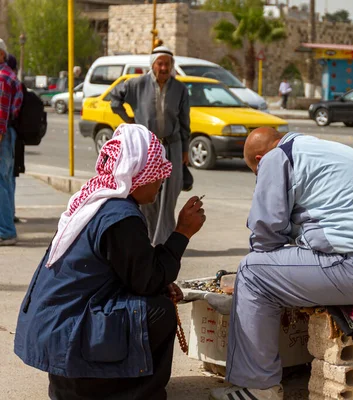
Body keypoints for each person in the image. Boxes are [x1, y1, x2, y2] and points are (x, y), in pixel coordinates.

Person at [210, 128, 353, 400]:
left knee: (252, 273)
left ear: (258, 159)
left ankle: (258, 387)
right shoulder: (330, 150)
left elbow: (265, 236)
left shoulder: (276, 157)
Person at [14, 124, 206, 400]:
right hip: (70, 334)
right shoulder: (120, 216)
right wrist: (182, 233)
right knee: (159, 310)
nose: (160, 182)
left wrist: (161, 276)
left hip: (58, 332)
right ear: (138, 174)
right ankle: (139, 392)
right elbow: (147, 281)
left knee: (157, 293)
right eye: (157, 175)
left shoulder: (93, 202)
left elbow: (131, 270)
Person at [111, 45, 190, 245]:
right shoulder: (137, 84)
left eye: (167, 64)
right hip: (148, 148)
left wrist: (185, 149)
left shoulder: (180, 89)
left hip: (172, 146)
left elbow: (184, 120)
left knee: (170, 196)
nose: (164, 68)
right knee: (147, 196)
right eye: (160, 64)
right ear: (152, 65)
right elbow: (114, 99)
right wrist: (128, 121)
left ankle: (164, 241)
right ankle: (144, 238)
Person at [0, 39, 23, 246]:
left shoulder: (2, 77)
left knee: (1, 183)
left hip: (2, 135)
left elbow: (1, 113)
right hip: (7, 135)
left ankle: (6, 231)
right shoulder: (9, 75)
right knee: (4, 182)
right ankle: (6, 229)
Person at [6, 54, 25, 224]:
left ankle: (6, 226)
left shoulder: (5, 79)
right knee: (8, 179)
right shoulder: (15, 81)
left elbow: (5, 111)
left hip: (6, 134)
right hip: (14, 135)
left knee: (4, 181)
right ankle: (9, 215)